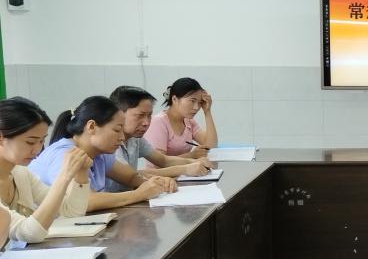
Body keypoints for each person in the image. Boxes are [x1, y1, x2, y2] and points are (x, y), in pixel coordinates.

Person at [29, 96, 178, 210]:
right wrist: (139, 194)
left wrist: (157, 182)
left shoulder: (100, 154)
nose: (122, 137)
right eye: (117, 130)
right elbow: (85, 201)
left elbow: (131, 177)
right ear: (91, 126)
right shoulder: (64, 155)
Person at [0, 96, 93, 243]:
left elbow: (71, 212)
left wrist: (81, 174)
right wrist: (64, 176)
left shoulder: (21, 174)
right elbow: (29, 233)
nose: (37, 150)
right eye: (30, 142)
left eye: (42, 141)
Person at [107, 86, 212, 193]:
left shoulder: (135, 138)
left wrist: (193, 162)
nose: (146, 122)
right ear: (118, 115)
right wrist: (186, 168)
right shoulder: (110, 144)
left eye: (149, 115)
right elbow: (132, 176)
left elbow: (163, 160)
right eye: (140, 115)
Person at [144, 77, 218, 158]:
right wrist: (191, 155)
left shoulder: (188, 121)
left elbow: (211, 146)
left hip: (187, 167)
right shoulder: (158, 122)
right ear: (174, 99)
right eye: (192, 101)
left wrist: (207, 112)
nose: (196, 107)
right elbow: (158, 162)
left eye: (200, 102)